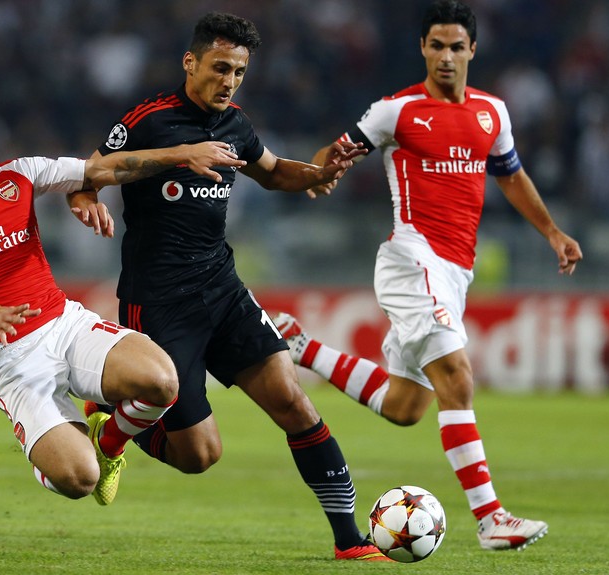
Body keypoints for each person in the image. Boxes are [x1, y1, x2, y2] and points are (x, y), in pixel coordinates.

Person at [71, 12, 386, 561]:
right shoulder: (150, 119)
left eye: (239, 71)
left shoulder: (236, 124)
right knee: (199, 455)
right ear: (191, 63)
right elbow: (89, 172)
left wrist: (315, 173)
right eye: (220, 68)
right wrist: (94, 194)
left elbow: (271, 170)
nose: (230, 81)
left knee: (292, 400)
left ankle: (349, 540)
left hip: (222, 288)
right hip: (160, 303)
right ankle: (114, 425)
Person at [273, 0, 583, 552]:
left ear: (472, 51)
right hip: (412, 259)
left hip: (453, 273)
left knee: (405, 407)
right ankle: (491, 519)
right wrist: (325, 171)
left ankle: (300, 347)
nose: (446, 56)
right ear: (422, 48)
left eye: (456, 47)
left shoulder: (493, 113)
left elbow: (511, 177)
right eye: (436, 45)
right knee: (458, 377)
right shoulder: (397, 111)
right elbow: (339, 149)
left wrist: (553, 233)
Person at [0, 88, 246, 505]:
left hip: (64, 323)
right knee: (80, 479)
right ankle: (57, 458)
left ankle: (109, 441)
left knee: (162, 380)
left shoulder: (18, 175)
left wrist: (181, 153)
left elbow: (100, 169)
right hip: (10, 356)